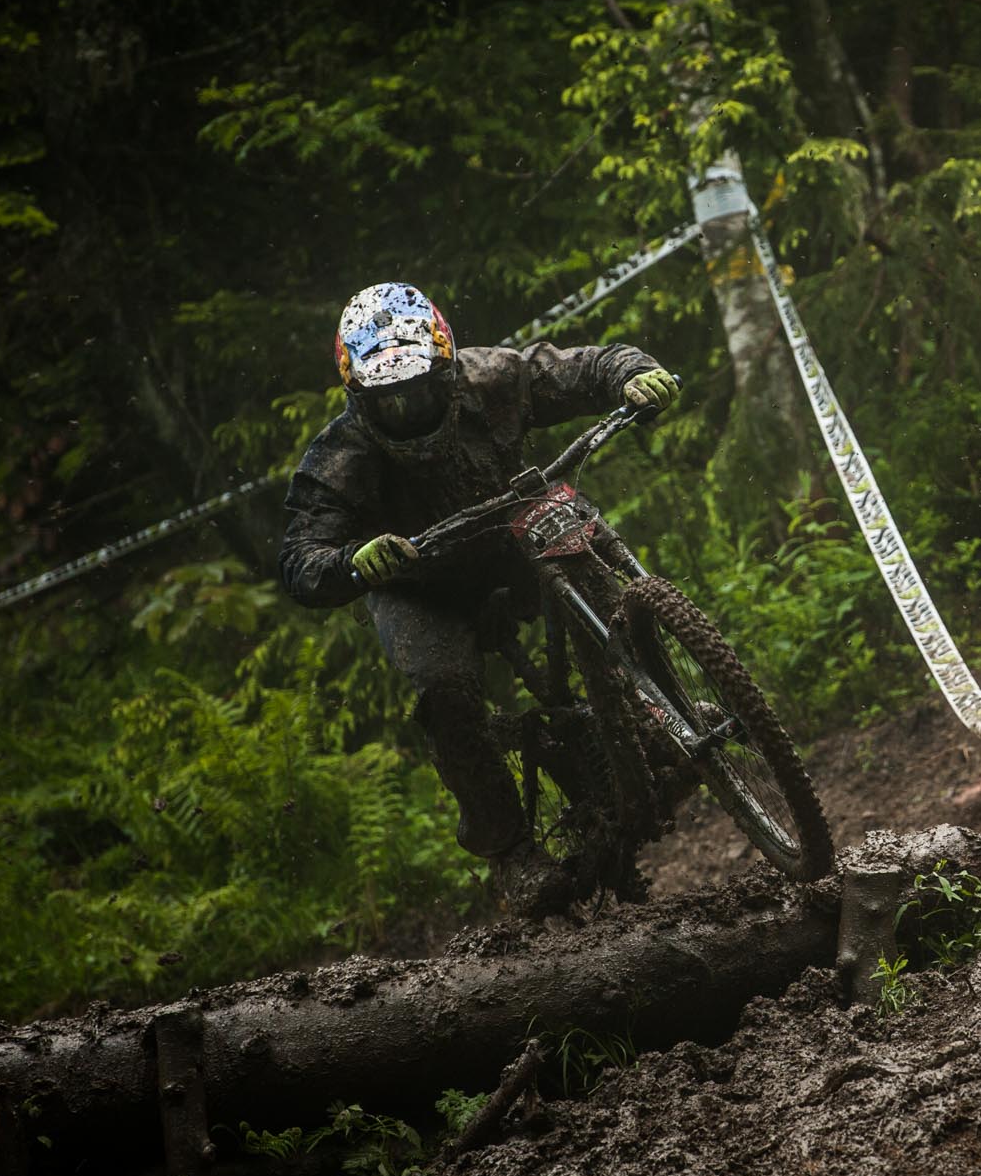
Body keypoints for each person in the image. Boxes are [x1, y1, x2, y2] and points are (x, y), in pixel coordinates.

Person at [278, 281, 680, 915]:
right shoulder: (340, 456)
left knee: (588, 538)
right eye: (392, 401)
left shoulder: (494, 378)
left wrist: (635, 374)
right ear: (360, 398)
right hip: (421, 587)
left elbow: (584, 368)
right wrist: (352, 563)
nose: (409, 407)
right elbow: (299, 557)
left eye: (420, 390)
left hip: (508, 538)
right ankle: (511, 853)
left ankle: (654, 710)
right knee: (443, 690)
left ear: (447, 367)